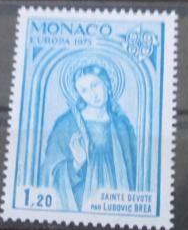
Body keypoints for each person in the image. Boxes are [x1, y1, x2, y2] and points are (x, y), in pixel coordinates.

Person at [40, 62, 136, 211]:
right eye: (84, 90)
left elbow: (132, 169)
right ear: (80, 95)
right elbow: (50, 173)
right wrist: (77, 164)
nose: (92, 94)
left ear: (106, 83)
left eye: (95, 85)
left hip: (116, 201)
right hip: (81, 202)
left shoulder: (121, 125)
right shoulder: (66, 124)